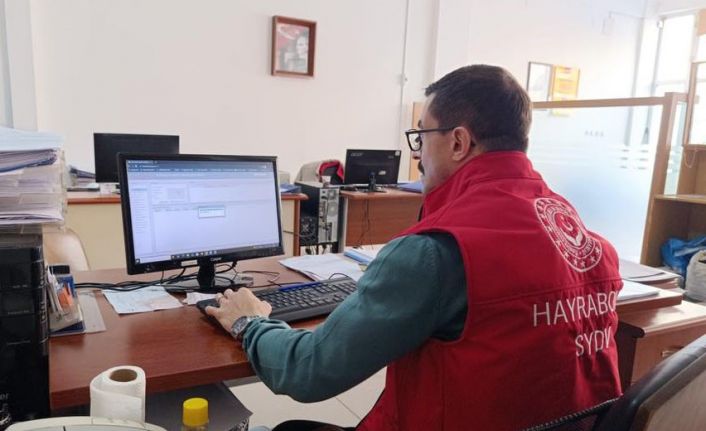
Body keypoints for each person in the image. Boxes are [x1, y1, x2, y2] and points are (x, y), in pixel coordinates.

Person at [206, 65, 623, 431]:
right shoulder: (584, 238)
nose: (419, 156)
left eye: (421, 137)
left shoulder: (434, 251)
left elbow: (307, 371)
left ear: (458, 142)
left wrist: (250, 322)